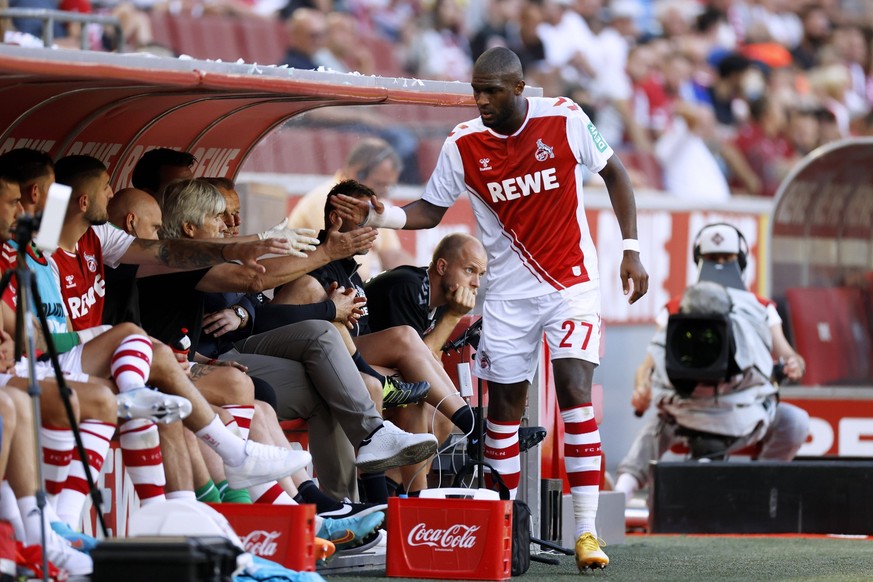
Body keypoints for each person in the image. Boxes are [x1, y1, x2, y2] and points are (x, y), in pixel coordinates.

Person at [331, 47, 649, 571]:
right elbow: (430, 211)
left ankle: (588, 533)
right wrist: (378, 213)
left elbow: (617, 175)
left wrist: (631, 251)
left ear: (519, 88)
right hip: (505, 298)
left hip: (571, 284)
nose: (480, 99)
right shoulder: (463, 144)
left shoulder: (565, 119)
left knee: (574, 391)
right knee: (502, 416)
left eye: (492, 91)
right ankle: (501, 522)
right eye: (476, 89)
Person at [614, 223, 809, 501]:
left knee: (795, 422)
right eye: (713, 259)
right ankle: (621, 495)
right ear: (700, 261)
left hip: (746, 408)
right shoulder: (675, 308)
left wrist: (793, 364)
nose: (720, 265)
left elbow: (789, 355)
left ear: (739, 261)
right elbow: (647, 367)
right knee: (657, 425)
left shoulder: (763, 308)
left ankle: (761, 492)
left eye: (726, 258)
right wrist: (642, 388)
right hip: (688, 409)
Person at [286, 138, 414, 281]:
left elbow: (393, 255)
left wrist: (418, 281)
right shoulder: (329, 199)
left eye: (388, 186)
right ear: (356, 173)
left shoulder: (374, 201)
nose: (383, 192)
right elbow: (345, 262)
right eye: (379, 183)